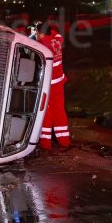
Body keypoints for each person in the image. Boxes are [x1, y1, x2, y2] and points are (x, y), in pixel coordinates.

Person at [35, 22, 71, 150]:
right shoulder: (57, 41)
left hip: (48, 87)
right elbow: (59, 35)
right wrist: (50, 32)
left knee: (47, 113)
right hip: (59, 84)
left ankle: (45, 143)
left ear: (40, 33)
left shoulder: (41, 46)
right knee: (60, 111)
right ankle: (64, 141)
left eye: (36, 33)